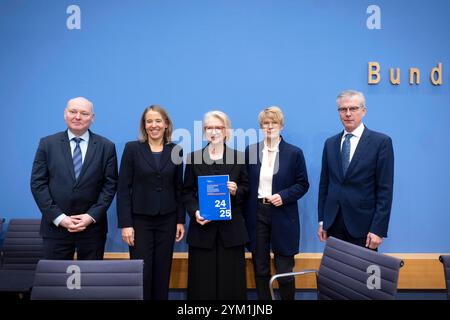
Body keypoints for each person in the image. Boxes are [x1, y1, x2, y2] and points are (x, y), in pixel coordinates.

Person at [30, 97, 118, 260]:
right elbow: (38, 184)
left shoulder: (107, 146)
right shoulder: (47, 144)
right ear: (65, 114)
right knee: (56, 282)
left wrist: (90, 216)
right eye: (73, 111)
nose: (77, 117)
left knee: (90, 281)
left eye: (84, 113)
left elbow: (110, 186)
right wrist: (59, 217)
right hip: (56, 228)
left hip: (92, 229)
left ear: (92, 118)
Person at [117, 105, 185, 300]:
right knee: (142, 273)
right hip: (140, 222)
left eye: (158, 121)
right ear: (144, 125)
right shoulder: (132, 149)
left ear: (166, 124)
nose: (153, 125)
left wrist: (180, 220)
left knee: (163, 272)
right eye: (149, 121)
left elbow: (179, 188)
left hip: (168, 220)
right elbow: (123, 189)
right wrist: (126, 224)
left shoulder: (176, 150)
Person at [182, 111, 249, 300]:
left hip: (232, 231)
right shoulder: (194, 158)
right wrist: (195, 211)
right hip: (202, 231)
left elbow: (247, 189)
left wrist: (237, 190)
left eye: (218, 127)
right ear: (204, 131)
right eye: (209, 127)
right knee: (202, 286)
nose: (213, 131)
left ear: (226, 131)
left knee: (232, 285)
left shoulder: (239, 157)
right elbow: (186, 192)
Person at [245, 106, 309, 300]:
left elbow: (303, 184)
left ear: (281, 125)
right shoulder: (251, 151)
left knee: (284, 268)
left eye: (274, 123)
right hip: (257, 213)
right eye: (266, 123)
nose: (270, 126)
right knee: (260, 266)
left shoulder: (294, 153)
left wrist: (284, 195)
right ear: (261, 126)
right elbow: (246, 183)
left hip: (283, 214)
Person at [318, 90, 394, 250]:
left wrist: (378, 229)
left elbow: (385, 190)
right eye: (343, 109)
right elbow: (324, 185)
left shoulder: (381, 142)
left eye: (353, 109)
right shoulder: (330, 143)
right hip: (333, 224)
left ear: (363, 111)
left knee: (362, 274)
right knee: (336, 274)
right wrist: (322, 220)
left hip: (364, 228)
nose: (348, 114)